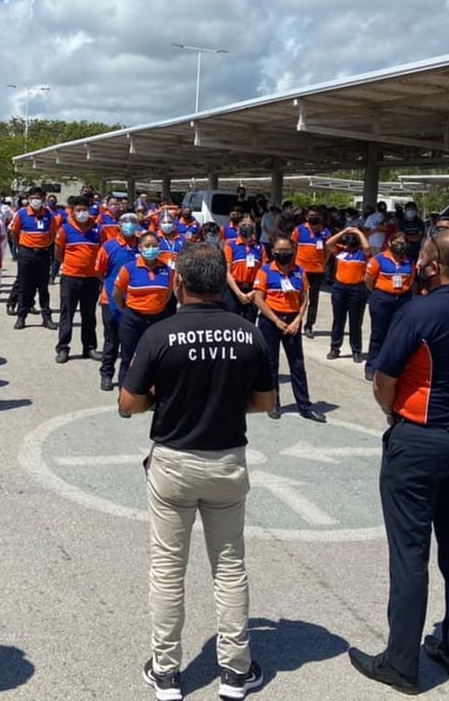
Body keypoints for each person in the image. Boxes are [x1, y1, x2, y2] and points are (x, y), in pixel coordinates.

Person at [119, 242, 274, 701]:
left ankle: (166, 671)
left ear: (178, 282)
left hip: (174, 461)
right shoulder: (250, 334)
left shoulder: (159, 335)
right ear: (221, 282)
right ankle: (235, 671)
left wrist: (159, 400)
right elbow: (266, 403)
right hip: (227, 459)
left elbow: (128, 403)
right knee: (229, 567)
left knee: (168, 568)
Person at [349, 229, 449, 694]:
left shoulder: (420, 310)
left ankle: (401, 663)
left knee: (410, 553)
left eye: (423, 255)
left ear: (432, 266)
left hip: (419, 440)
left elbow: (384, 376)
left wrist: (393, 414)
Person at [253, 234, 325, 423]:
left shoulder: (299, 272)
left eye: (287, 251)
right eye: (280, 251)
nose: (283, 254)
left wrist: (298, 320)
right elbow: (259, 299)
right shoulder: (265, 271)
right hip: (271, 321)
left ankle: (305, 406)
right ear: (273, 251)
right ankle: (273, 404)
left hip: (292, 321)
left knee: (297, 364)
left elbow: (304, 299)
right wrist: (276, 320)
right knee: (271, 364)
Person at [113, 231, 175, 390]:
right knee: (128, 357)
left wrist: (155, 306)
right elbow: (117, 294)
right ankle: (125, 397)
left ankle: (152, 394)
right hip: (133, 319)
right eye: (147, 246)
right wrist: (128, 311)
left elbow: (167, 295)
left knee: (156, 357)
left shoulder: (167, 270)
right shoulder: (129, 268)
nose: (151, 249)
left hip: (157, 319)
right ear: (139, 247)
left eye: (155, 246)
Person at [95, 212, 142, 391]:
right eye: (125, 222)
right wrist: (111, 287)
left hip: (135, 301)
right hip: (111, 300)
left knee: (132, 342)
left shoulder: (142, 246)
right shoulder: (109, 246)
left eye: (133, 222)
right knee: (112, 340)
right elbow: (99, 271)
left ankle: (130, 377)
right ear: (119, 225)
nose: (129, 225)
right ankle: (106, 374)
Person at [54, 196, 103, 363]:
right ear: (72, 212)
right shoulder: (65, 230)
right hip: (70, 278)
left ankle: (89, 347)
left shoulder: (97, 229)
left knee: (89, 315)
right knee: (66, 314)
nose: (82, 213)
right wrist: (71, 266)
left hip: (91, 279)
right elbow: (58, 253)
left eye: (85, 210)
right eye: (78, 210)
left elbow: (102, 253)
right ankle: (63, 348)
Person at [363, 236, 414, 382]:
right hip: (382, 299)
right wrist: (379, 294)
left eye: (403, 243)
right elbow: (368, 280)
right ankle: (372, 367)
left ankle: (394, 367)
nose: (400, 245)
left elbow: (411, 280)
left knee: (398, 335)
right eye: (397, 242)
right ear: (390, 243)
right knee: (378, 334)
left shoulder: (409, 261)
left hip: (402, 299)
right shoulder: (378, 259)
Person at [8, 188, 57, 330]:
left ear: (43, 199)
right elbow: (14, 233)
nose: (36, 200)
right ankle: (21, 316)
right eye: (33, 197)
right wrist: (23, 247)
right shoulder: (21, 214)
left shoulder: (48, 214)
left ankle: (46, 317)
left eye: (39, 197)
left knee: (43, 287)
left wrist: (46, 245)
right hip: (26, 253)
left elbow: (53, 233)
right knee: (24, 286)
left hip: (43, 253)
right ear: (29, 199)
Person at [325, 226, 370, 362]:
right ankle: (335, 348)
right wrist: (344, 231)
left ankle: (356, 351)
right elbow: (328, 243)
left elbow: (367, 248)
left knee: (355, 322)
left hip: (357, 289)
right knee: (338, 320)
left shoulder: (362, 254)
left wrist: (358, 232)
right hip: (340, 288)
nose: (350, 246)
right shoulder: (340, 251)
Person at [293, 205, 331, 339]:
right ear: (306, 217)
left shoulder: (325, 232)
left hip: (317, 271)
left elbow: (328, 251)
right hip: (300, 270)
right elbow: (293, 247)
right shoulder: (299, 230)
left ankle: (309, 325)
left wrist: (323, 263)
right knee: (298, 298)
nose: (313, 218)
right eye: (311, 216)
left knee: (313, 300)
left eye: (316, 216)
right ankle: (295, 322)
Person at [223, 222, 264, 322]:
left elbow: (263, 272)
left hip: (252, 289)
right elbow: (227, 272)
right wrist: (239, 294)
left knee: (250, 321)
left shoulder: (260, 248)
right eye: (245, 236)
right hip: (234, 288)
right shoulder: (230, 246)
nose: (249, 239)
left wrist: (253, 292)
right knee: (232, 321)